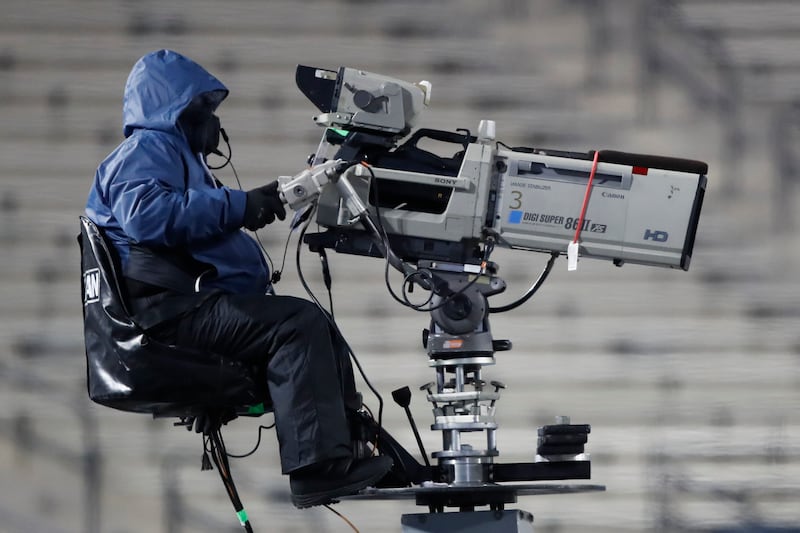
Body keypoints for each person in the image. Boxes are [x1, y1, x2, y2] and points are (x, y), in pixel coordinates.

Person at [85, 49, 392, 508]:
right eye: (205, 108)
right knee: (296, 326)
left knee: (314, 326)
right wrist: (241, 205)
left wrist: (249, 204)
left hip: (183, 309)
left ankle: (351, 449)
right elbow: (147, 216)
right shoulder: (148, 148)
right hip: (167, 315)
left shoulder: (174, 157)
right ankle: (318, 468)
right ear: (177, 110)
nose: (214, 122)